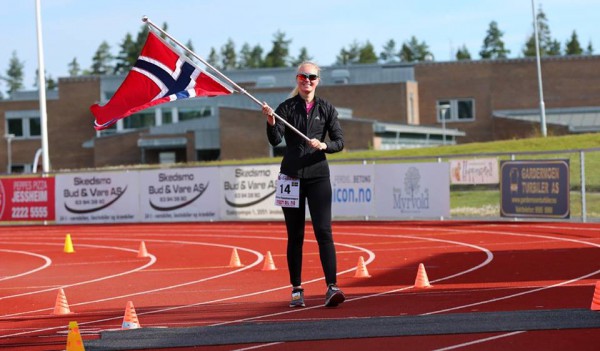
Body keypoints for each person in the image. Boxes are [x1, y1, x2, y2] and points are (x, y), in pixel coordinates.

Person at [262, 61, 345, 308]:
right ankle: (297, 288)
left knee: (323, 232)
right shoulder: (286, 108)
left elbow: (339, 141)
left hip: (319, 176)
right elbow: (275, 140)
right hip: (291, 176)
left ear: (318, 80)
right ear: (296, 79)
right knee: (295, 235)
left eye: (311, 77)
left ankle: (332, 286)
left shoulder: (327, 108)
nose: (307, 80)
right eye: (302, 76)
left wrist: (324, 146)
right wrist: (270, 121)